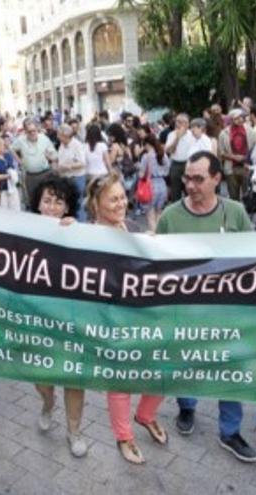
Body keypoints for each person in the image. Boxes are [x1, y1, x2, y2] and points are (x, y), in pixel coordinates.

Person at [155, 151, 256, 463]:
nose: (190, 185)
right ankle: (187, 407)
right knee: (185, 364)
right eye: (187, 177)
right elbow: (155, 266)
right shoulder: (170, 217)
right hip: (185, 314)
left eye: (199, 178)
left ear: (217, 179)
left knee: (230, 371)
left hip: (228, 314)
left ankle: (230, 431)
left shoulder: (236, 213)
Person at [86, 173, 166, 464]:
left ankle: (146, 415)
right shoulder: (85, 237)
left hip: (144, 316)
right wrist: (63, 231)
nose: (121, 203)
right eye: (113, 199)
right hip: (110, 320)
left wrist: (156, 248)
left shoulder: (133, 227)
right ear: (96, 204)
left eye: (122, 197)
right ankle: (124, 437)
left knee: (163, 371)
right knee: (120, 381)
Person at [28, 174, 88, 457]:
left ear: (67, 207)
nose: (52, 207)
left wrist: (76, 233)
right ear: (38, 204)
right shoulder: (22, 232)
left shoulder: (77, 231)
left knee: (74, 379)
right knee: (41, 378)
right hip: (38, 320)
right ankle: (47, 404)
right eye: (47, 200)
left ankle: (74, 430)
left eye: (59, 202)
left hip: (72, 320)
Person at [10, 119, 57, 207]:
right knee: (33, 200)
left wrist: (50, 157)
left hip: (45, 174)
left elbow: (54, 154)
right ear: (25, 132)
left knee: (47, 199)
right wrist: (19, 161)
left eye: (34, 130)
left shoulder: (44, 138)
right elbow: (11, 148)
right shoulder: (21, 140)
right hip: (31, 176)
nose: (32, 133)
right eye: (29, 131)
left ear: (37, 130)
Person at [218, 109, 256, 201]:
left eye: (241, 117)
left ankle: (247, 214)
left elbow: (255, 148)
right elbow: (221, 153)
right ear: (231, 119)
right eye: (237, 118)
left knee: (248, 195)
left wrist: (246, 158)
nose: (240, 120)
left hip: (246, 167)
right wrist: (233, 157)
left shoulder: (250, 131)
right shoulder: (224, 133)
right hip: (231, 168)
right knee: (233, 196)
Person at [137, 134, 170, 232]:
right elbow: (167, 170)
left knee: (150, 215)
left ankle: (155, 238)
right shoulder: (163, 154)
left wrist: (138, 168)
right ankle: (160, 235)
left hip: (150, 185)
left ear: (147, 144)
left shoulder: (146, 157)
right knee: (159, 213)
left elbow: (141, 175)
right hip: (162, 185)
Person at [55, 124, 87, 220]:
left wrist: (67, 167)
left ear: (64, 135)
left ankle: (81, 226)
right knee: (69, 204)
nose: (57, 137)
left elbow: (82, 163)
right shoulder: (62, 144)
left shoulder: (77, 145)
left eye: (59, 135)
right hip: (65, 178)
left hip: (76, 178)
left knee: (78, 204)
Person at [165, 113, 195, 203]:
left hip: (189, 163)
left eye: (181, 122)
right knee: (175, 191)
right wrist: (177, 138)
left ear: (187, 124)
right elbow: (170, 151)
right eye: (177, 121)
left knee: (189, 190)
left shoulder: (192, 135)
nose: (178, 124)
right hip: (176, 164)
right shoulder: (171, 134)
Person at [0, 137, 20, 211]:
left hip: (12, 187)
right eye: (2, 145)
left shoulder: (7, 155)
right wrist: (8, 176)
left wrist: (13, 174)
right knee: (4, 211)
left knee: (15, 210)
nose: (4, 146)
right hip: (2, 190)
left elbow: (14, 166)